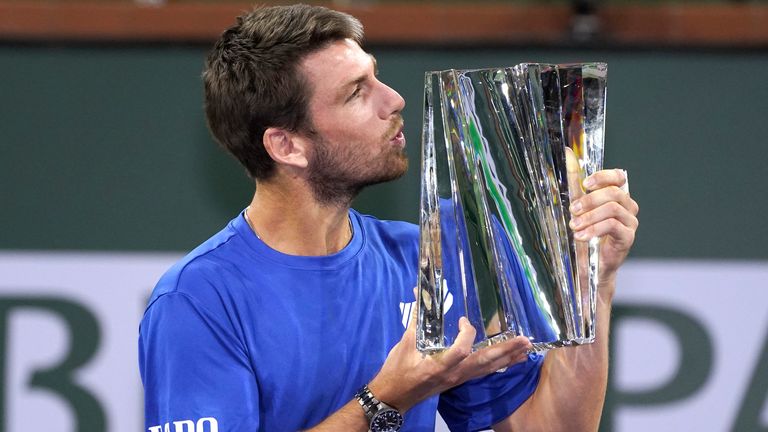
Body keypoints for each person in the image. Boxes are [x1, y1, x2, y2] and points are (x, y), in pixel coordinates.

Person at [139, 4, 639, 432]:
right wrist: (385, 399)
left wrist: (590, 280)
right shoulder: (198, 299)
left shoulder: (422, 257)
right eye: (357, 92)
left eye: (375, 75)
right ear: (286, 145)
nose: (394, 100)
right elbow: (390, 398)